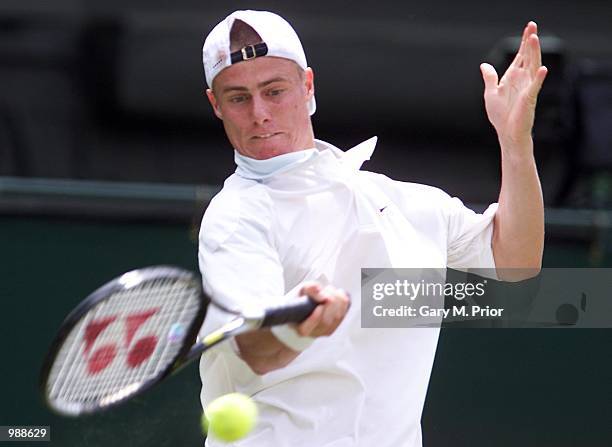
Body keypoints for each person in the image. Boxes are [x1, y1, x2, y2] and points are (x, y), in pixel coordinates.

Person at [198, 10, 546, 446]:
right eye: (238, 98)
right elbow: (255, 348)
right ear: (216, 105)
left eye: (274, 91)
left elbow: (516, 261)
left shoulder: (403, 201)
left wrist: (515, 144)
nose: (260, 113)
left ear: (307, 87)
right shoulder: (235, 217)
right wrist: (297, 327)